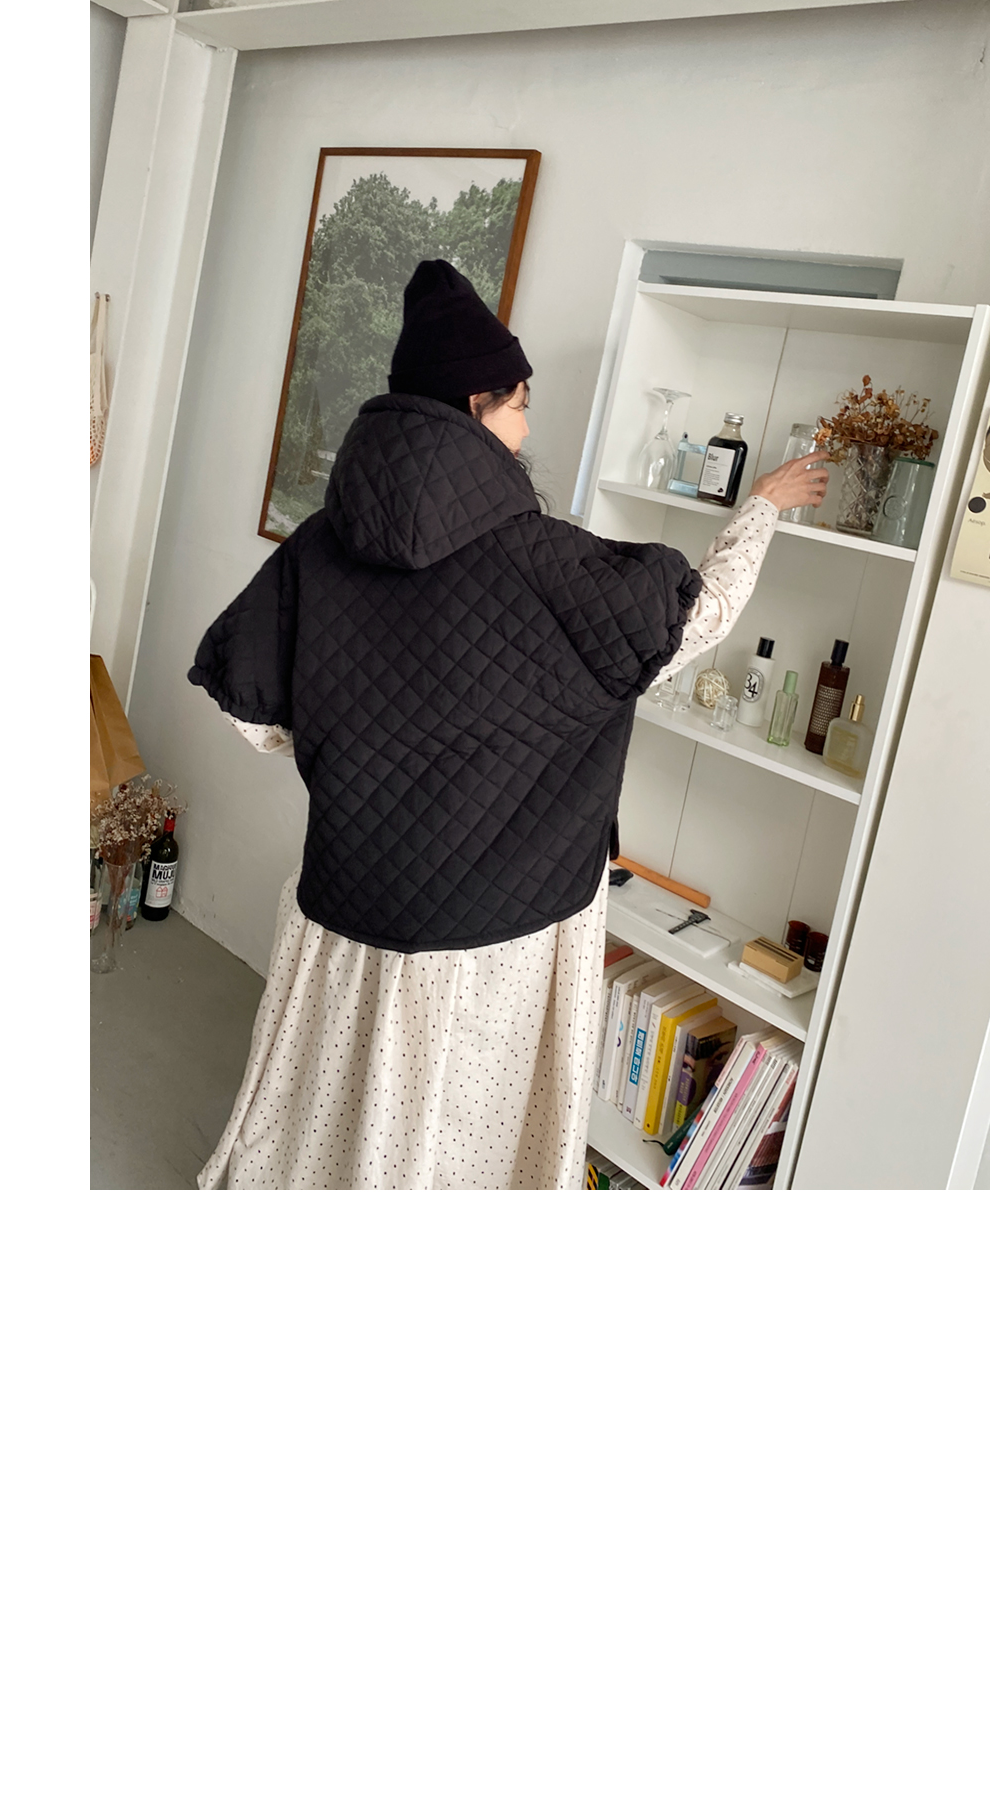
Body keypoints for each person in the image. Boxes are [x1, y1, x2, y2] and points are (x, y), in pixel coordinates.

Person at [188, 260, 827, 1190]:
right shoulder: (547, 561)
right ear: (475, 406)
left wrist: (355, 746)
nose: (528, 428)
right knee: (457, 1151)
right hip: (495, 934)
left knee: (328, 1132)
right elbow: (699, 619)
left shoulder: (319, 541)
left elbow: (250, 705)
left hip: (346, 905)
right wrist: (760, 508)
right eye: (521, 405)